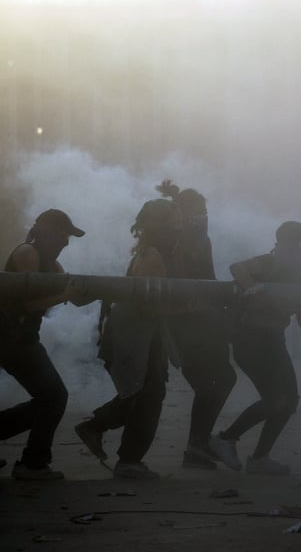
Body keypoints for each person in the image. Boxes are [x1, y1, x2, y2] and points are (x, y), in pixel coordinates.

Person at [74, 199, 184, 479]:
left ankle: (97, 428)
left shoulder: (152, 253)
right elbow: (148, 305)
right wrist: (187, 306)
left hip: (143, 333)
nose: (178, 228)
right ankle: (129, 461)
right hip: (136, 334)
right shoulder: (152, 257)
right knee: (147, 396)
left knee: (145, 394)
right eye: (173, 223)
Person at [209, 221, 301, 475]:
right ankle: (226, 440)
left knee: (287, 401)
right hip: (252, 340)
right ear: (288, 245)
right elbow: (238, 268)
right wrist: (253, 287)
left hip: (272, 340)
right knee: (280, 399)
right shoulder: (271, 263)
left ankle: (258, 458)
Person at [154, 179, 237, 470]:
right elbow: (183, 283)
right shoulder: (177, 244)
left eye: (205, 211)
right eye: (197, 212)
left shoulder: (204, 239)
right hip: (186, 324)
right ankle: (197, 445)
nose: (203, 217)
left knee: (224, 379)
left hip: (208, 323)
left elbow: (210, 279)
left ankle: (198, 444)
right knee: (207, 385)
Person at [0, 209, 88, 480]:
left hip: (23, 338)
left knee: (51, 398)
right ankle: (33, 464)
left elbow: (69, 293)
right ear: (48, 232)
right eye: (63, 235)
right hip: (10, 336)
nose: (66, 242)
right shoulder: (28, 253)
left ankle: (33, 461)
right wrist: (65, 294)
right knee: (53, 397)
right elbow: (27, 303)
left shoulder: (53, 265)